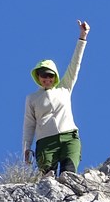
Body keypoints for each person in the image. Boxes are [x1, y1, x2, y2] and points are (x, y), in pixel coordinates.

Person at [23, 20, 90, 176]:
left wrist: (82, 37)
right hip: (46, 143)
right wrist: (26, 148)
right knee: (48, 180)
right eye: (43, 75)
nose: (47, 78)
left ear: (55, 76)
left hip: (70, 137)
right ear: (37, 77)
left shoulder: (64, 88)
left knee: (69, 175)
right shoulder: (32, 98)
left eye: (50, 75)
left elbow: (75, 64)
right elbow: (28, 125)